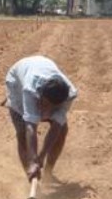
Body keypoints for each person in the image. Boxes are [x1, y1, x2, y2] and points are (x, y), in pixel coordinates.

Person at [5, 55, 77, 183]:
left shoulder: (70, 95)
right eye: (44, 104)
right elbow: (30, 127)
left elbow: (56, 127)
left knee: (62, 130)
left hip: (41, 66)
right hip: (17, 80)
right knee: (22, 134)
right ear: (40, 95)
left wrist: (42, 156)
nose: (46, 111)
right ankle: (31, 176)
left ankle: (48, 173)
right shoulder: (29, 90)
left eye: (52, 108)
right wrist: (33, 161)